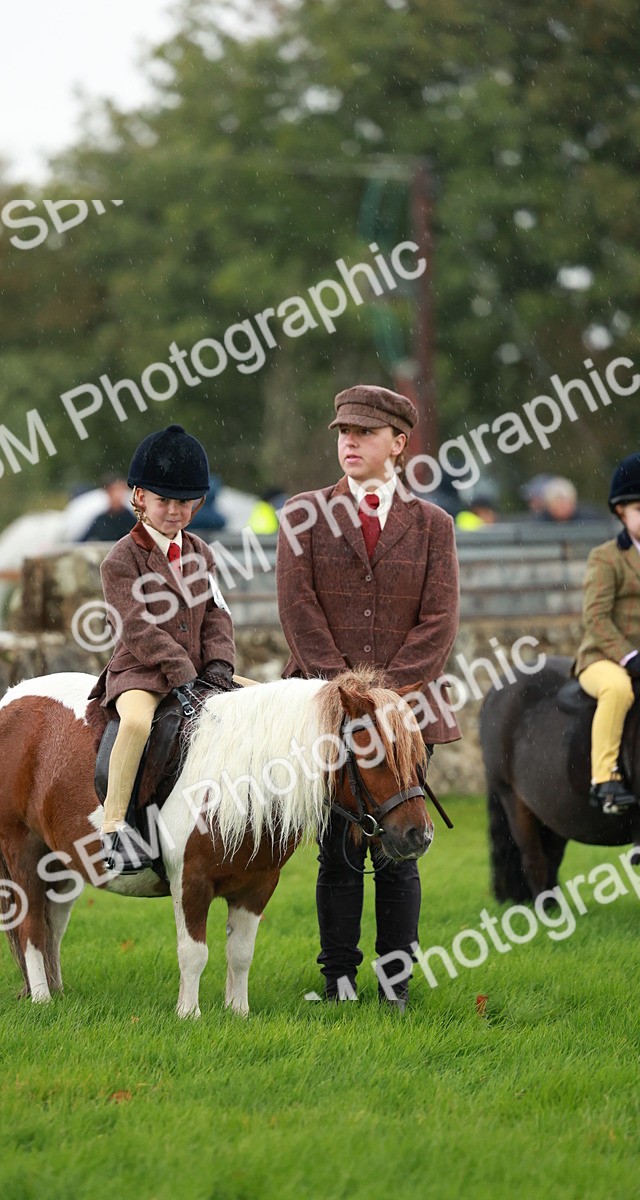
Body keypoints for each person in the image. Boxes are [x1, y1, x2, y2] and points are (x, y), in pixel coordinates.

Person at [276, 385, 461, 1009]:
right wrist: (348, 694)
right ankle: (338, 982)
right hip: (325, 710)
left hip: (408, 716)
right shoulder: (303, 514)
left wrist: (388, 698)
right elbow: (297, 612)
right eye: (342, 433)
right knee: (336, 851)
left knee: (399, 852)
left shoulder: (434, 524)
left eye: (364, 433)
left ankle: (396, 986)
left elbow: (439, 622)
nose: (348, 442)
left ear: (398, 443)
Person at [89, 425, 238, 874]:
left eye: (183, 503)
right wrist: (180, 669)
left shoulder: (202, 554)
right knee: (135, 723)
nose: (174, 512)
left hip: (199, 672)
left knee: (258, 700)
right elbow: (136, 626)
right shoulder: (120, 559)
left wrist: (219, 665)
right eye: (163, 501)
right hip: (142, 671)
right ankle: (114, 827)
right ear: (139, 498)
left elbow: (217, 614)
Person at [574, 452, 640, 814]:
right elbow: (596, 618)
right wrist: (630, 655)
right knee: (618, 688)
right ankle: (605, 781)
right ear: (621, 512)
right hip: (604, 657)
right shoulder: (606, 557)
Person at [78, 475, 136, 542]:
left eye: (121, 491)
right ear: (108, 493)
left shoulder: (130, 518)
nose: (118, 495)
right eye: (115, 491)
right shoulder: (101, 520)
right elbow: (81, 542)